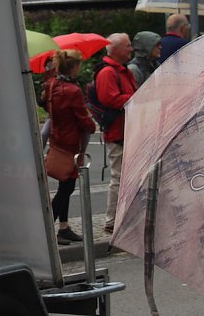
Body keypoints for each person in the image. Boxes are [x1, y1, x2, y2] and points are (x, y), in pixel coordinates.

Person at [42, 50, 97, 245]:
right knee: (67, 187)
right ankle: (48, 229)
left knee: (65, 184)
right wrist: (92, 125)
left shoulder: (52, 85)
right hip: (71, 142)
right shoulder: (72, 91)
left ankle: (63, 227)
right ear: (74, 67)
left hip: (57, 138)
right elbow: (83, 119)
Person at [96, 33, 137, 235]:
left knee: (127, 177)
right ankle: (112, 221)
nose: (131, 49)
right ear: (115, 50)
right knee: (119, 177)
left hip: (126, 130)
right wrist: (137, 97)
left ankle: (124, 218)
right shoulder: (108, 73)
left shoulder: (122, 71)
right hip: (117, 132)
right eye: (127, 46)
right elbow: (110, 99)